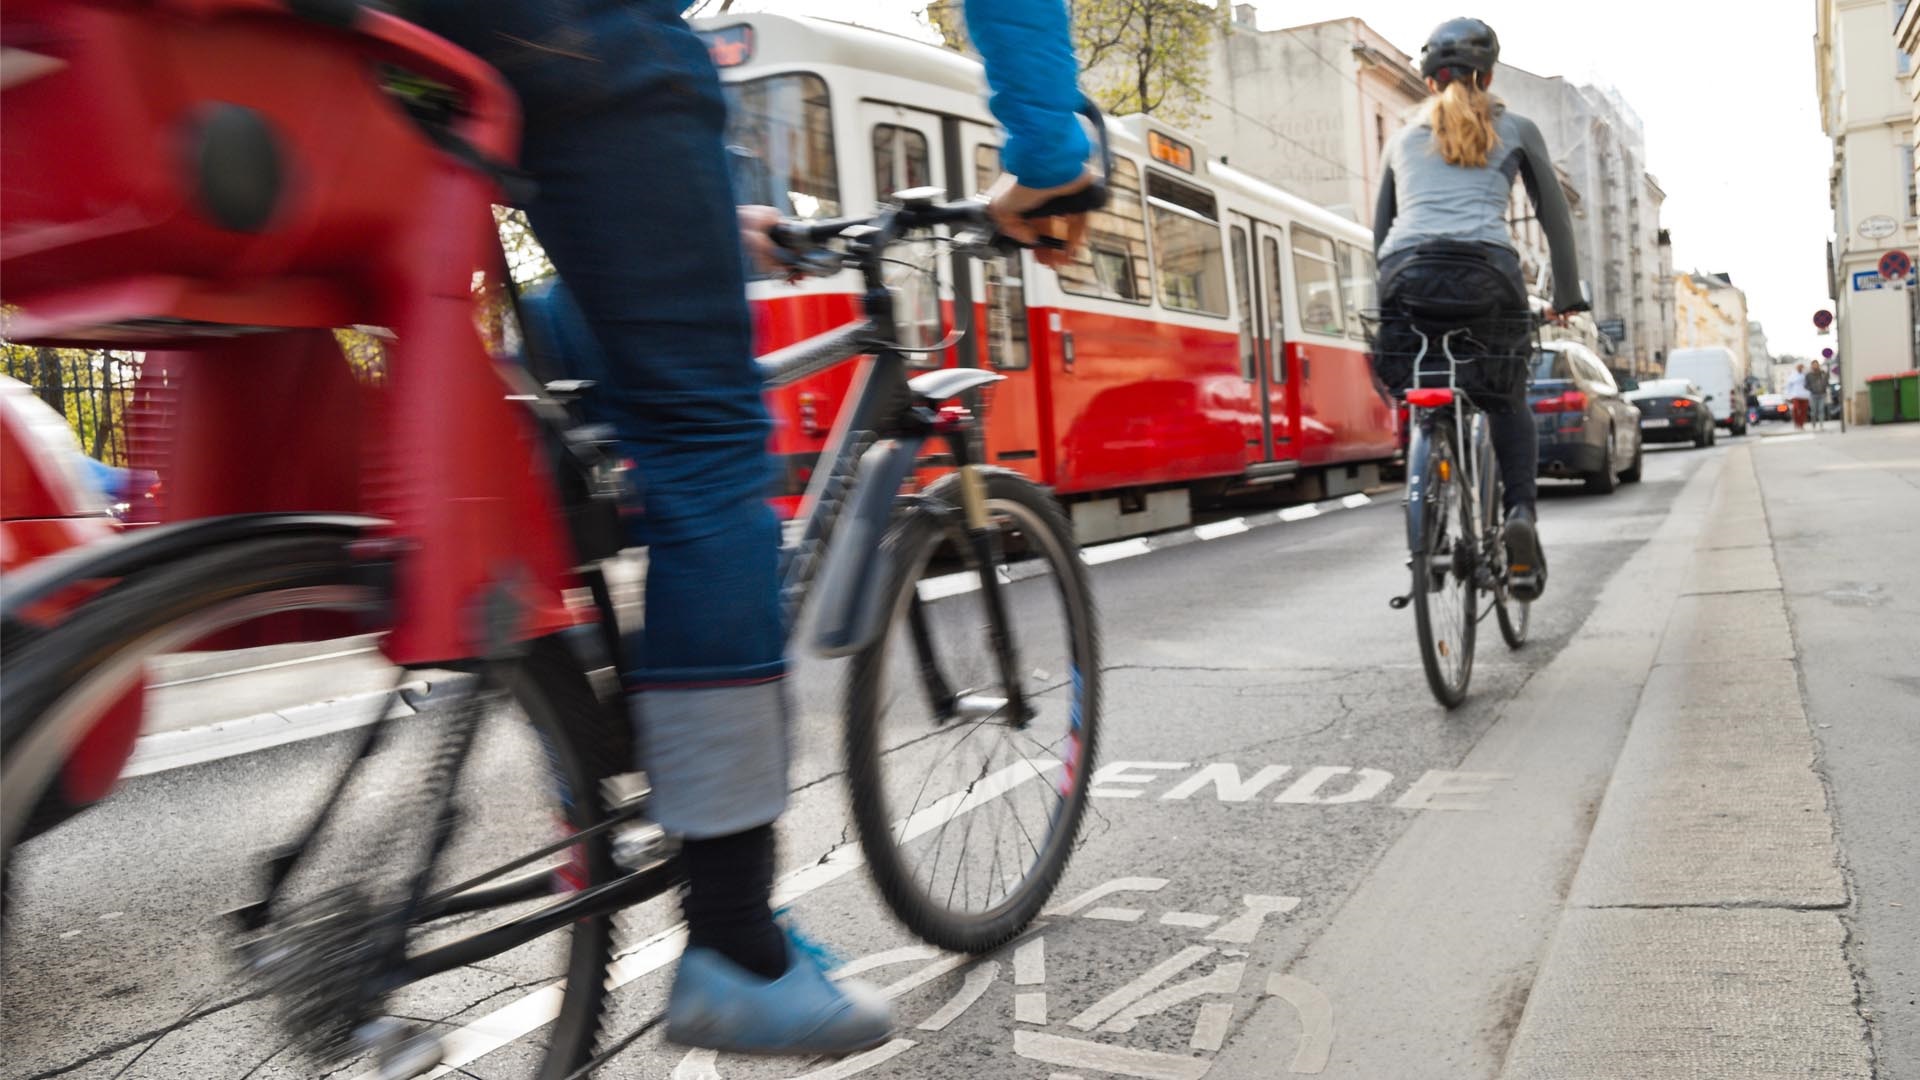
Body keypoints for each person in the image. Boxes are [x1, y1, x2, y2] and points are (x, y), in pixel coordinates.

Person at [408, 0, 1095, 1056]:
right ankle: (734, 941)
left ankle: (569, 706)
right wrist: (1051, 153)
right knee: (707, 446)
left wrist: (702, 225)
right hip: (565, 32)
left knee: (572, 371)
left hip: (370, 44)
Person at [1373, 17, 1585, 602]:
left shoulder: (1400, 138)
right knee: (1504, 397)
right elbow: (1554, 219)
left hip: (1406, 276)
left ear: (1428, 81)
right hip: (1488, 276)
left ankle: (1429, 488)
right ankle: (1519, 511)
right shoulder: (1515, 127)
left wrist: (1387, 297)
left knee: (1423, 384)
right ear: (1487, 75)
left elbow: (1381, 230)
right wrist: (1567, 293)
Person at [1807, 360, 1831, 430]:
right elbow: (1806, 385)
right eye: (1814, 364)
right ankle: (1813, 423)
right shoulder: (1809, 375)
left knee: (1821, 409)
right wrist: (1811, 388)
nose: (1815, 366)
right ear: (1811, 366)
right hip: (1813, 395)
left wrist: (1828, 369)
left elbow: (1827, 380)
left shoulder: (1822, 373)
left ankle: (1821, 425)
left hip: (1822, 394)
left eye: (1816, 364)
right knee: (1813, 411)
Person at [1787, 362, 1811, 429]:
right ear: (1796, 368)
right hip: (1796, 395)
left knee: (1804, 411)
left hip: (1805, 396)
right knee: (1796, 409)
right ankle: (1796, 423)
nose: (1800, 368)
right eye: (1799, 367)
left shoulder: (1805, 375)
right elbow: (1789, 386)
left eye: (1801, 367)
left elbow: (1809, 384)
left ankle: (1801, 424)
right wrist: (1789, 395)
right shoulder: (1792, 375)